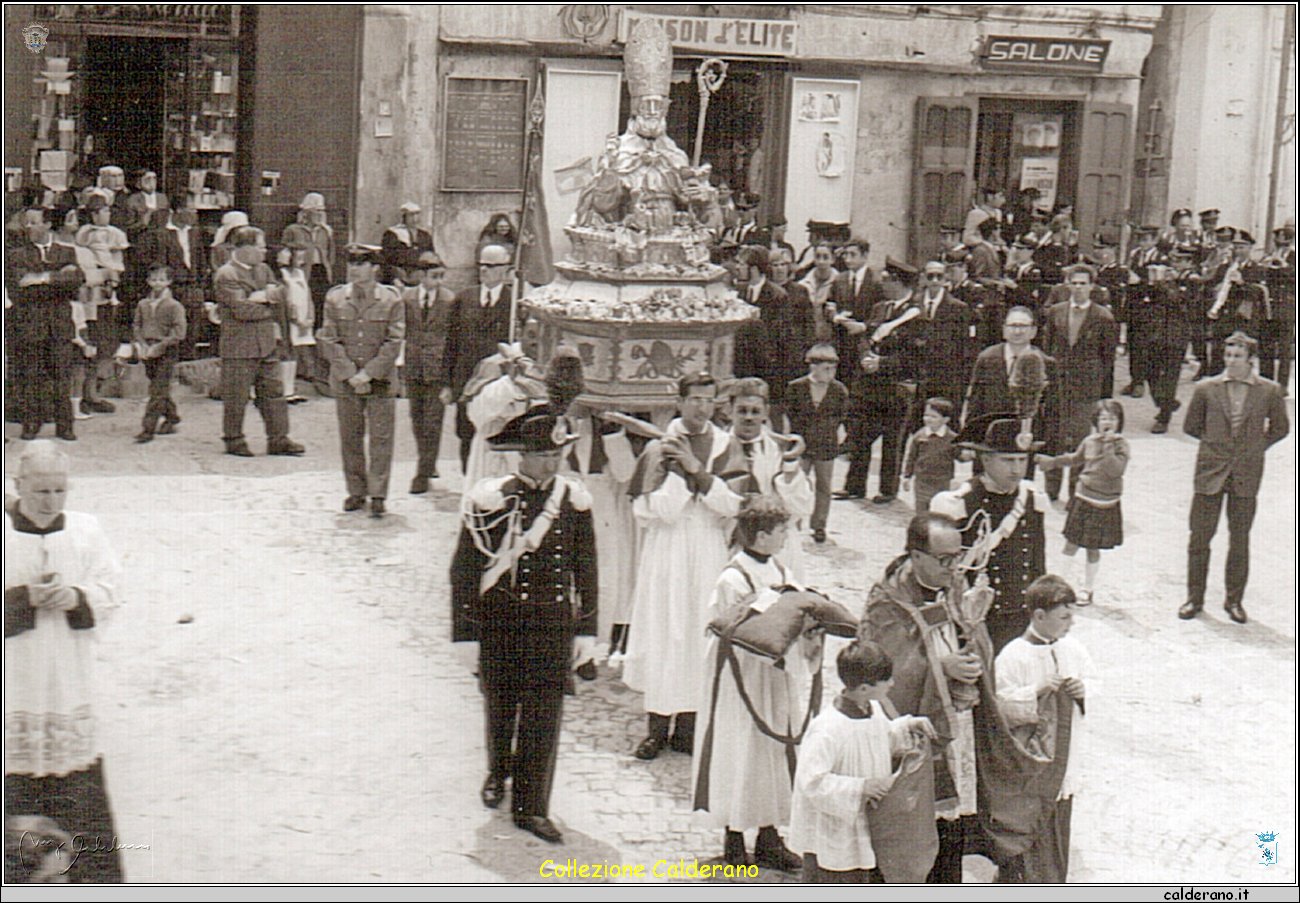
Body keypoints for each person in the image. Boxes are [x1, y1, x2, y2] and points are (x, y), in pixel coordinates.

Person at [449, 410, 597, 844]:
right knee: (500, 705)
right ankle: (498, 769)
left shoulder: (574, 500)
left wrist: (586, 629)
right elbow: (464, 570)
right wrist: (465, 632)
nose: (552, 464)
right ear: (522, 455)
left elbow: (586, 569)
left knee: (543, 715)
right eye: (542, 455)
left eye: (557, 454)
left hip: (552, 625)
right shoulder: (489, 500)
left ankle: (532, 806)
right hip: (502, 623)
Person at [5, 442, 124, 882]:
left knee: (80, 802)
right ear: (18, 486)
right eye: (40, 491)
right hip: (12, 684)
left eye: (59, 490)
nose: (50, 501)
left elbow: (110, 589)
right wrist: (22, 600)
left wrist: (77, 597)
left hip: (67, 687)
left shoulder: (86, 530)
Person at [692, 494, 818, 872]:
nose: (785, 537)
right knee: (739, 754)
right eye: (781, 531)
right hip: (740, 682)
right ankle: (732, 840)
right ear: (762, 535)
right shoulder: (733, 578)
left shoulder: (780, 570)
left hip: (772, 678)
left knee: (771, 755)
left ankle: (767, 837)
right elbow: (726, 629)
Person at [859, 512, 986, 883]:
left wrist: (972, 647)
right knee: (909, 833)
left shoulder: (953, 585)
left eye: (957, 556)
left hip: (953, 724)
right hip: (914, 729)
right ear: (916, 556)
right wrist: (940, 667)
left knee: (950, 829)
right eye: (945, 559)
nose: (954, 566)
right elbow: (881, 667)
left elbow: (965, 631)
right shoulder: (888, 603)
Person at [624, 372, 744, 761]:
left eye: (708, 400)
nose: (701, 408)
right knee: (665, 631)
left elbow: (732, 505)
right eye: (694, 399)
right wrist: (677, 469)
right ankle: (656, 728)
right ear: (680, 401)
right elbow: (655, 510)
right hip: (668, 549)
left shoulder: (725, 445)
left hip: (707, 545)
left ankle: (688, 727)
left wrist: (697, 468)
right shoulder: (659, 449)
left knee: (698, 632)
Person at [788, 639, 939, 883]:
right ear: (864, 688)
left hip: (864, 821)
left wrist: (908, 725)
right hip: (834, 830)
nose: (892, 684)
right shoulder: (827, 728)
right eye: (886, 680)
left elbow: (881, 740)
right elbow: (812, 783)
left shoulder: (873, 710)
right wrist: (861, 787)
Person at [1179, 332, 1289, 624]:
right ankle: (1194, 598)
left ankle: (1234, 601)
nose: (1231, 361)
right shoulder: (1206, 388)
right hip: (1210, 473)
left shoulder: (1269, 390)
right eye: (1228, 355)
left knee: (1239, 539)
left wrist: (1254, 448)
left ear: (1250, 359)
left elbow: (1280, 428)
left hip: (1246, 473)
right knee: (1200, 537)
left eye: (1238, 356)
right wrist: (1216, 446)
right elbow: (1191, 426)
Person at [993, 574, 1095, 883]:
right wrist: (1035, 691)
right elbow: (1001, 708)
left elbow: (1095, 683)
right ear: (1039, 615)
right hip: (1030, 771)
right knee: (1025, 841)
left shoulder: (1072, 649)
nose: (1071, 623)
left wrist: (1083, 689)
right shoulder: (1013, 655)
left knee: (1055, 841)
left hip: (1063, 763)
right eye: (1064, 616)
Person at [932, 414, 1047, 653]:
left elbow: (1037, 563)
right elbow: (939, 573)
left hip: (1021, 616)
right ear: (985, 458)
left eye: (1021, 460)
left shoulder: (1032, 499)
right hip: (974, 620)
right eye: (1007, 460)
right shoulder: (958, 503)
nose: (1016, 469)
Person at [317, 246, 405, 517]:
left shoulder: (391, 299)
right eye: (351, 263)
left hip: (379, 380)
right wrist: (351, 374)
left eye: (361, 263)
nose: (354, 269)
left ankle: (378, 493)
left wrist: (368, 374)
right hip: (346, 380)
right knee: (350, 437)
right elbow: (327, 338)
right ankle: (356, 490)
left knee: (381, 438)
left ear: (374, 267)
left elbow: (394, 341)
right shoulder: (335, 298)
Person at [835, 258, 924, 504]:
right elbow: (865, 337)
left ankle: (888, 489)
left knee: (892, 442)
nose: (882, 284)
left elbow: (914, 357)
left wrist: (882, 364)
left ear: (899, 282)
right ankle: (854, 485)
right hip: (870, 385)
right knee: (861, 434)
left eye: (887, 279)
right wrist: (866, 356)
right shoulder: (880, 309)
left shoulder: (916, 315)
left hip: (895, 387)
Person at [213, 225, 305, 458]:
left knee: (274, 393)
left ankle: (279, 439)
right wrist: (266, 302)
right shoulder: (226, 274)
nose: (265, 252)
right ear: (245, 248)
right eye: (261, 247)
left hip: (266, 344)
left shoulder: (264, 269)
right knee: (237, 396)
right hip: (239, 348)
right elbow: (242, 310)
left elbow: (281, 295)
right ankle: (234, 439)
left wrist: (258, 298)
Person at [1038, 264, 1118, 501]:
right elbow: (1046, 349)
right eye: (1075, 283)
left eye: (1084, 283)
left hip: (1086, 389)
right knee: (1054, 437)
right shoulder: (1056, 312)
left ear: (1092, 286)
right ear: (1068, 285)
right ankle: (1051, 490)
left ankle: (1075, 492)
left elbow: (1108, 359)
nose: (1079, 288)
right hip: (1057, 386)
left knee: (1080, 440)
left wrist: (1104, 396)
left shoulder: (1103, 316)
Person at [1035, 400, 1129, 603]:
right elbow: (1075, 459)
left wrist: (1109, 445)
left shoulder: (1122, 445)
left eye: (1113, 418)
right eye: (1104, 418)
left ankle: (1088, 588)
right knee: (1071, 543)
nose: (1108, 422)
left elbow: (1115, 470)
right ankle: (1059, 585)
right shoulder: (1089, 441)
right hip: (1084, 498)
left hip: (1105, 504)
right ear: (1096, 420)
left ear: (1119, 422)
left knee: (1092, 548)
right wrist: (1053, 462)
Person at [6, 207, 85, 441]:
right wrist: (58, 277)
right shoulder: (16, 254)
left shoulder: (67, 252)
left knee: (62, 376)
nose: (28, 227)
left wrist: (42, 278)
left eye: (34, 222)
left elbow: (76, 282)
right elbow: (18, 287)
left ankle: (65, 425)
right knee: (32, 377)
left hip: (59, 325)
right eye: (26, 222)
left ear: (48, 224)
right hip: (30, 324)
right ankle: (32, 423)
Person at [724, 378, 815, 578]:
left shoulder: (781, 449)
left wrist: (790, 467)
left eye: (755, 411)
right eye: (742, 410)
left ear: (766, 412)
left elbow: (801, 507)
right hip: (728, 543)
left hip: (775, 546)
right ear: (729, 410)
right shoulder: (716, 446)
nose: (749, 417)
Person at [445, 243, 517, 470]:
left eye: (491, 266)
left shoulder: (514, 303)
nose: (484, 270)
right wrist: (447, 384)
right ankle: (469, 486)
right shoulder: (464, 298)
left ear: (506, 270)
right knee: (467, 435)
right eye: (482, 265)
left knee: (499, 435)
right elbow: (451, 344)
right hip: (467, 381)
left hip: (499, 384)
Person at [400, 251, 455, 494]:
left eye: (441, 276)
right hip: (413, 366)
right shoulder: (407, 297)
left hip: (437, 368)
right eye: (434, 276)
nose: (439, 281)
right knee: (417, 419)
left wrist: (450, 376)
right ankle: (429, 461)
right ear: (421, 275)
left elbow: (454, 338)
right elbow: (400, 331)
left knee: (433, 421)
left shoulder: (449, 300)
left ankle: (422, 474)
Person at [786, 344, 849, 544]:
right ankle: (793, 522)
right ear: (813, 367)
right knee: (795, 484)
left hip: (826, 445)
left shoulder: (839, 390)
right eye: (826, 368)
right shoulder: (796, 387)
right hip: (801, 445)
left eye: (833, 369)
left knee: (824, 486)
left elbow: (842, 415)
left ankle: (819, 525)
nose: (830, 373)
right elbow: (790, 413)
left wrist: (829, 430)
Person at [137, 204, 208, 360]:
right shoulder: (160, 233)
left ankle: (187, 365)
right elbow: (152, 263)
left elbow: (201, 259)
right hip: (172, 288)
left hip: (193, 289)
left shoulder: (194, 232)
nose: (194, 215)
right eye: (190, 211)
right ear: (177, 211)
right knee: (171, 331)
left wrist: (200, 285)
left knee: (192, 331)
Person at [963, 306, 1051, 429]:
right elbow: (975, 401)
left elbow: (1054, 410)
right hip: (993, 432)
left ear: (1033, 331)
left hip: (1030, 434)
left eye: (1023, 326)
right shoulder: (987, 358)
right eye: (1013, 326)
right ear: (1004, 329)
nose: (1017, 331)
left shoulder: (1046, 363)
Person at [131, 263, 186, 443]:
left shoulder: (174, 305)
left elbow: (179, 332)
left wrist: (160, 346)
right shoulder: (143, 304)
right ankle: (172, 416)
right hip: (148, 350)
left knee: (156, 390)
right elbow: (137, 325)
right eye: (153, 279)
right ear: (148, 281)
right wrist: (141, 344)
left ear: (169, 282)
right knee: (159, 387)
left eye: (162, 280)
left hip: (166, 351)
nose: (157, 283)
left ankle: (148, 429)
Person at [915, 260, 974, 406]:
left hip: (946, 377)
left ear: (946, 277)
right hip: (918, 374)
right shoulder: (914, 303)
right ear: (923, 277)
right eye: (930, 276)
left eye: (939, 276)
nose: (935, 280)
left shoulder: (958, 308)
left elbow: (964, 347)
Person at [276, 237, 317, 403]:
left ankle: (290, 390)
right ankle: (282, 390)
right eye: (298, 256)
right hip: (288, 319)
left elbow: (307, 296)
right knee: (285, 352)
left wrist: (309, 318)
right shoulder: (282, 275)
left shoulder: (300, 273)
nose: (301, 260)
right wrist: (295, 318)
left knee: (294, 354)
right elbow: (285, 299)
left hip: (302, 318)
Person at [902, 397, 958, 513]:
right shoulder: (920, 435)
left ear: (945, 419)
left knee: (939, 509)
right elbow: (912, 457)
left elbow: (959, 455)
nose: (928, 419)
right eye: (926, 415)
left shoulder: (952, 438)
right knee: (921, 508)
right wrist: (907, 476)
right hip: (922, 479)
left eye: (934, 416)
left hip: (942, 480)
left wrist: (967, 454)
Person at [1261, 225, 1296, 391]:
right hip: (1270, 306)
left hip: (1287, 307)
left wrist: (1284, 265)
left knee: (1284, 349)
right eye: (1278, 243)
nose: (1280, 247)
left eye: (1284, 244)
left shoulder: (1295, 257)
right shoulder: (1269, 256)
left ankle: (1282, 385)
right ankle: (1266, 382)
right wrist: (1266, 265)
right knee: (1266, 346)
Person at [380, 201, 435, 283]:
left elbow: (431, 254)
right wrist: (394, 278)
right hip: (399, 274)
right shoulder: (392, 234)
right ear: (404, 217)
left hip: (420, 274)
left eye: (417, 214)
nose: (415, 218)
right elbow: (386, 258)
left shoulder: (424, 235)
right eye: (411, 215)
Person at [796, 243, 839, 343]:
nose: (821, 261)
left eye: (825, 257)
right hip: (807, 339)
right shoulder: (803, 285)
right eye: (818, 257)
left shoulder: (840, 284)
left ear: (833, 259)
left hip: (832, 339)